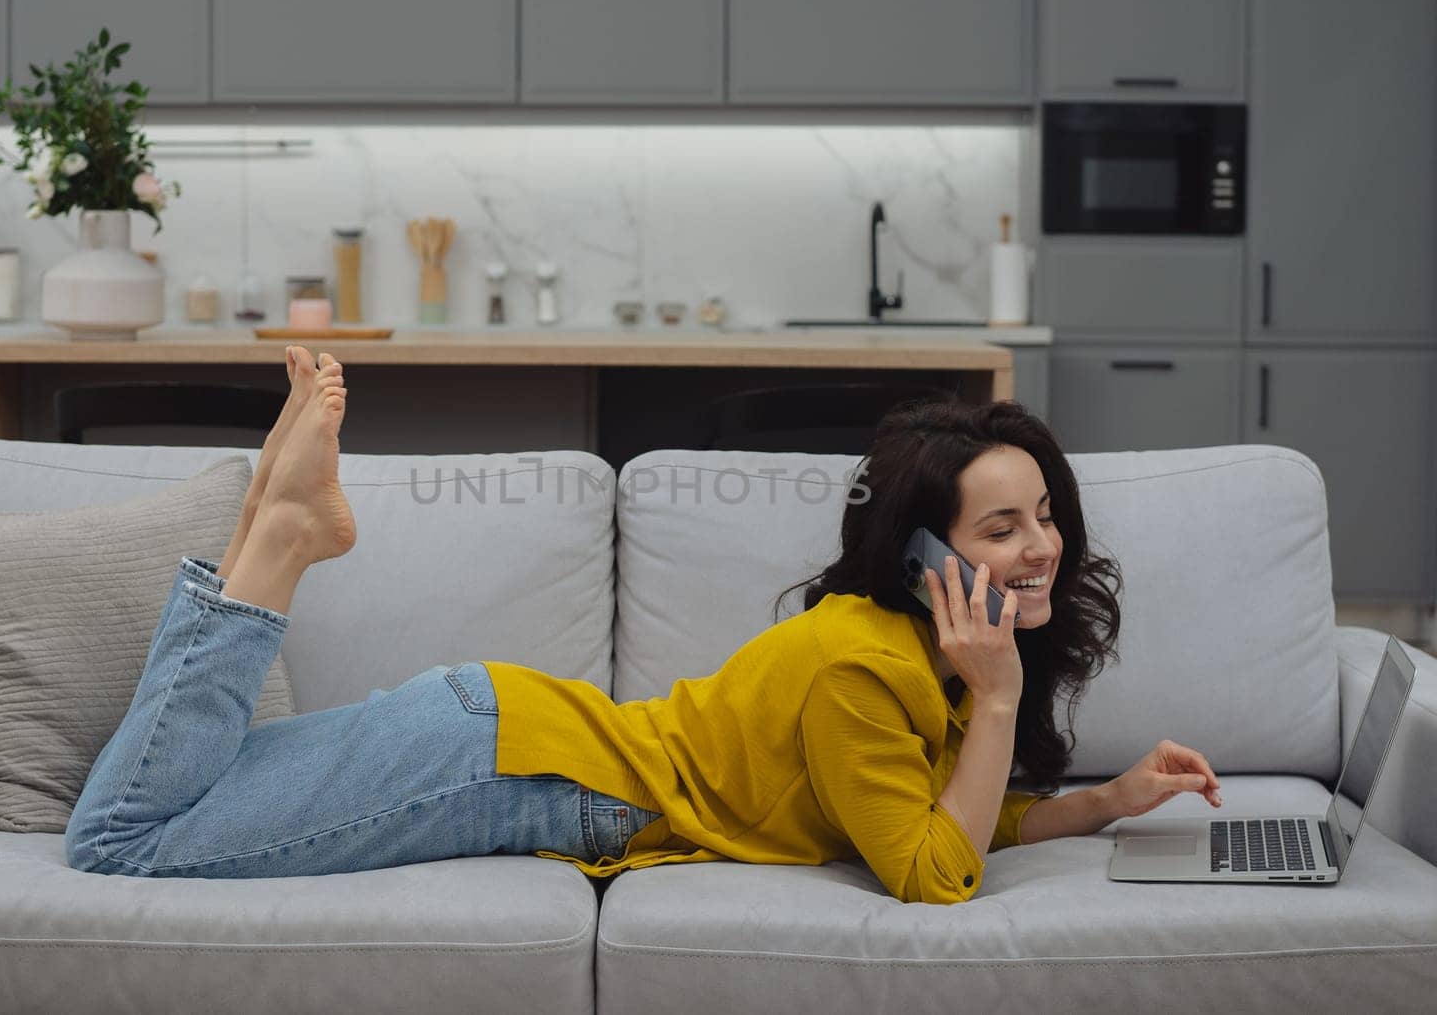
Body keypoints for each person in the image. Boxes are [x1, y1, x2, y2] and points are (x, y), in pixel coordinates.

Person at [66, 349, 1223, 905]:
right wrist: (1005, 692)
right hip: (510, 769)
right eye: (1001, 526)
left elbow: (958, 809)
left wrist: (1105, 802)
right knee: (119, 842)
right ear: (923, 557)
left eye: (1047, 518)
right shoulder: (862, 670)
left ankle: (272, 518)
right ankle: (277, 544)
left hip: (498, 739)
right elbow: (934, 869)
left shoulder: (921, 656)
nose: (1042, 547)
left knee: (143, 814)